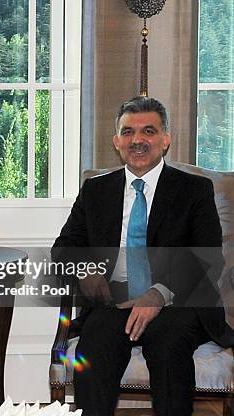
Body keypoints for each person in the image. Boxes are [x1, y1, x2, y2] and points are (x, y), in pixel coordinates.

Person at [52, 96, 234, 416]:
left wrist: (158, 293)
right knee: (94, 348)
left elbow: (207, 257)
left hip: (179, 302)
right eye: (128, 132)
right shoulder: (96, 190)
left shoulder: (194, 190)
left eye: (148, 131)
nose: (137, 140)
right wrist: (87, 271)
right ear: (116, 141)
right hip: (115, 301)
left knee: (167, 343)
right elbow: (64, 247)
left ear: (165, 140)